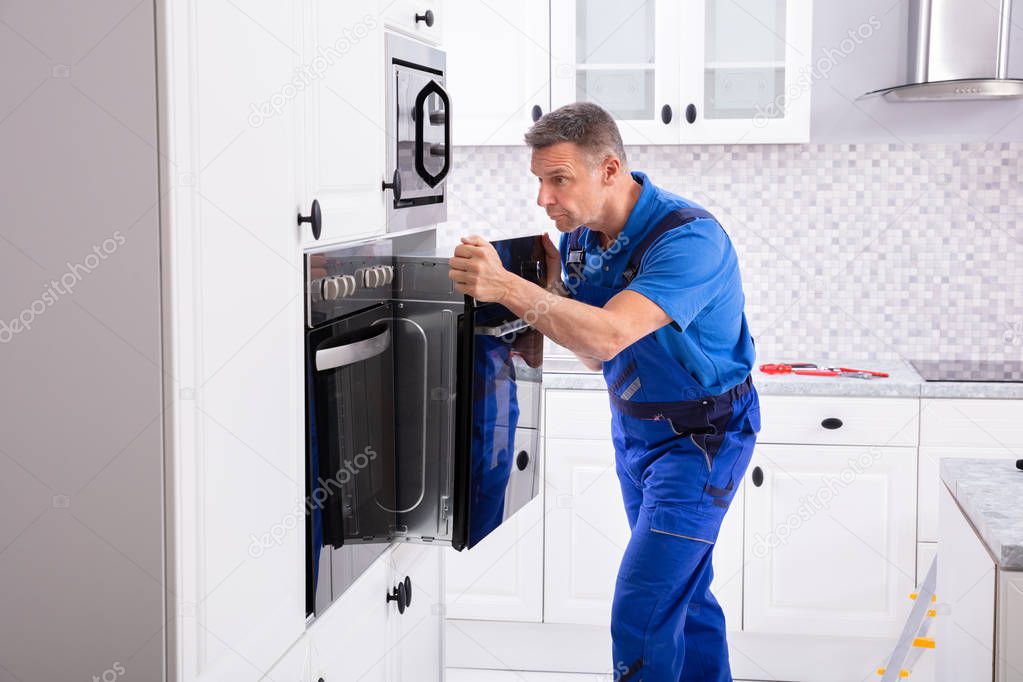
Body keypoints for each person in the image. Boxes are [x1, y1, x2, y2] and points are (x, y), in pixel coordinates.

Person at [447, 102, 760, 681]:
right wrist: (550, 290)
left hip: (703, 439)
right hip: (635, 431)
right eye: (540, 181)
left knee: (643, 605)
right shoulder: (582, 243)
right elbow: (594, 356)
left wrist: (509, 287)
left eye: (558, 179)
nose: (544, 197)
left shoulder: (689, 239)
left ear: (610, 169)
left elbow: (613, 333)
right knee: (684, 598)